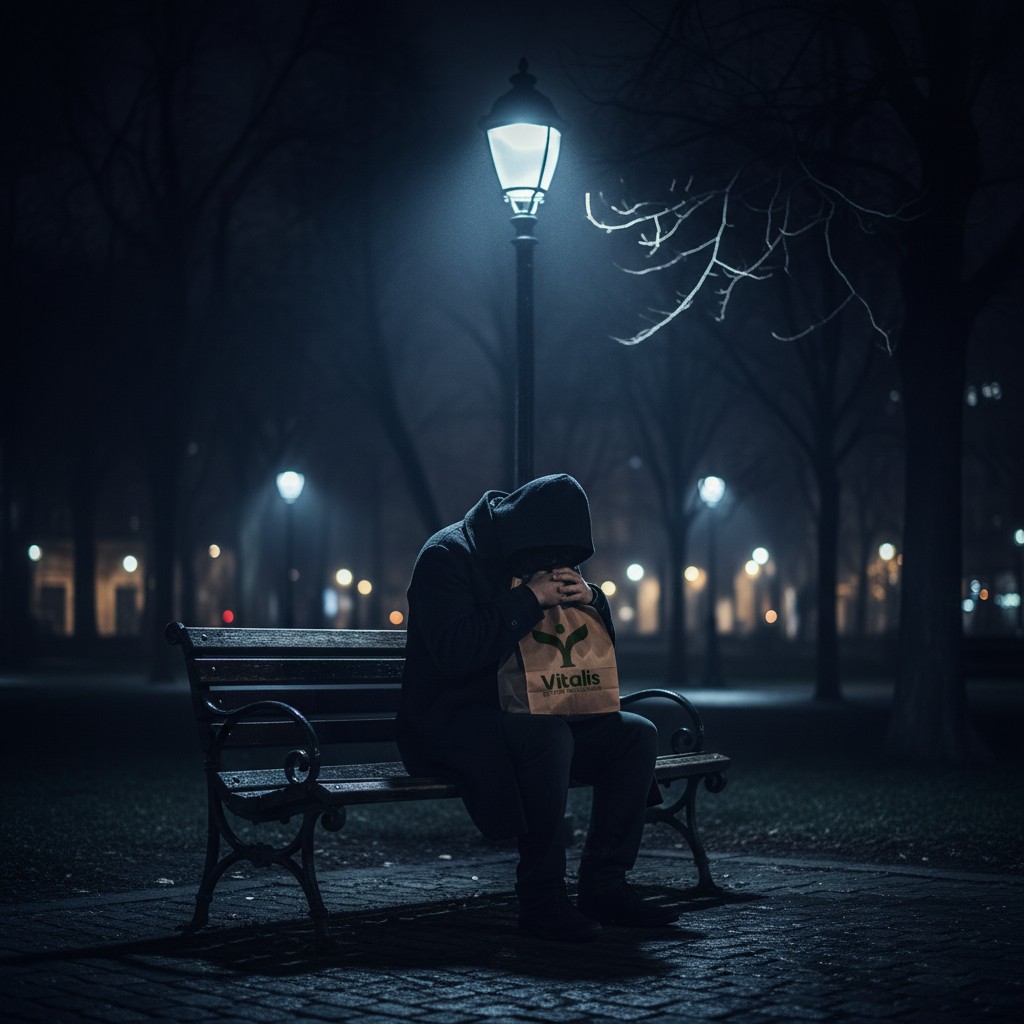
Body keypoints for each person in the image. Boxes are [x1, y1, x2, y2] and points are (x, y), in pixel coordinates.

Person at [396, 473, 678, 941]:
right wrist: (528, 599)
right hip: (451, 722)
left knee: (635, 734)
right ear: (526, 537)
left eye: (566, 560)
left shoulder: (537, 558)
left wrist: (592, 599)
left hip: (536, 709)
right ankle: (541, 897)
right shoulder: (447, 556)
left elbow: (587, 648)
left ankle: (605, 885)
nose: (555, 567)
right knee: (547, 736)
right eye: (549, 558)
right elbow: (454, 653)